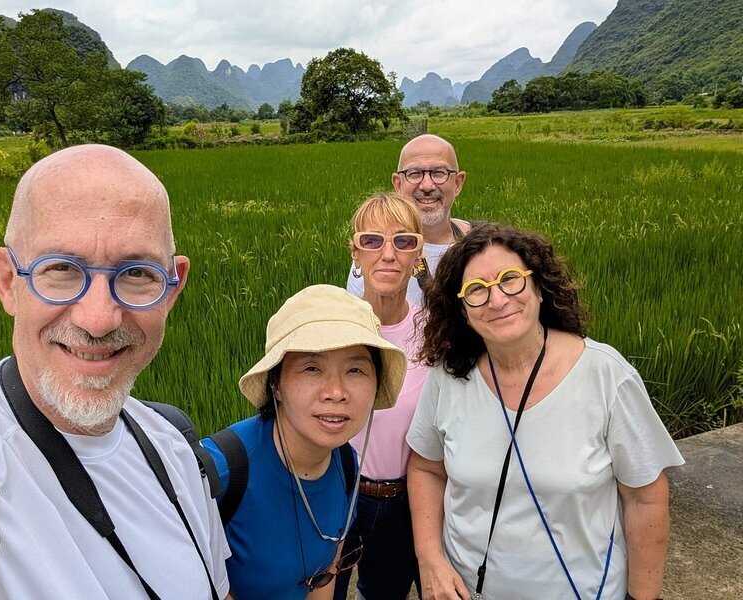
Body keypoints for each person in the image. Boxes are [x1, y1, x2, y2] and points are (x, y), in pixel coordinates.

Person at [0, 145, 231, 599]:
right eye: (60, 269)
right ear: (5, 281)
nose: (99, 319)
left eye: (137, 273)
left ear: (172, 289)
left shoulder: (176, 450)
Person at [406, 223, 684, 600]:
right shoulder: (450, 374)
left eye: (510, 279)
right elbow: (425, 467)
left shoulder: (605, 375)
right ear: (462, 310)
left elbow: (645, 497)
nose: (497, 299)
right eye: (476, 290)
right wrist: (430, 559)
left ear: (538, 287)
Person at [201, 284, 407, 599]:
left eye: (355, 370)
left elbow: (323, 578)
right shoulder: (216, 473)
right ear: (276, 384)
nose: (336, 392)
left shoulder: (346, 463)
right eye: (312, 368)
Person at [334, 193, 428, 600]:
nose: (388, 254)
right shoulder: (331, 328)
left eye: (403, 241)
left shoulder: (435, 332)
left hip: (409, 499)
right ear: (356, 254)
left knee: (384, 593)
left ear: (418, 254)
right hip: (336, 492)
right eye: (372, 241)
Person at [346, 134, 470, 305]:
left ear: (457, 183)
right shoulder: (375, 257)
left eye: (439, 173)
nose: (427, 186)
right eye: (414, 173)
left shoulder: (484, 244)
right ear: (398, 184)